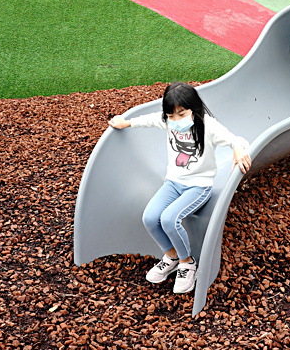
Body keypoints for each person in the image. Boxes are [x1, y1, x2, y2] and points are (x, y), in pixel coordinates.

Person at [107, 81, 252, 294]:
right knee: (149, 218)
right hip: (173, 183)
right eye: (171, 115)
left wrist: (238, 149)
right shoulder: (168, 121)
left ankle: (187, 263)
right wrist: (126, 122)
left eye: (181, 114)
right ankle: (172, 257)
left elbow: (233, 139)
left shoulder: (207, 125)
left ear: (193, 108)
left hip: (198, 186)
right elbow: (148, 120)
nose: (176, 120)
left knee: (169, 219)